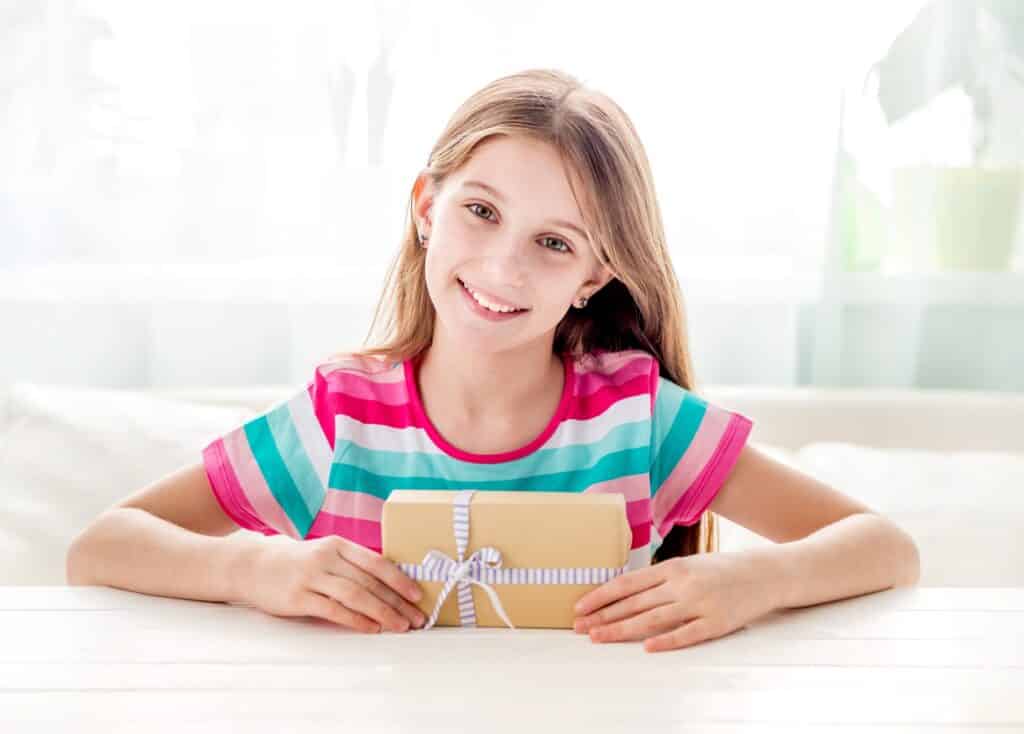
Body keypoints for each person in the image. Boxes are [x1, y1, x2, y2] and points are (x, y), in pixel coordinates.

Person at [66, 68, 920, 653]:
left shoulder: (640, 420)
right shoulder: (343, 417)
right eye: (481, 211)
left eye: (553, 241)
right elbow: (103, 544)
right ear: (426, 209)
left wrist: (753, 583)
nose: (504, 267)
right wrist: (253, 566)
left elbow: (884, 547)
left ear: (595, 276)